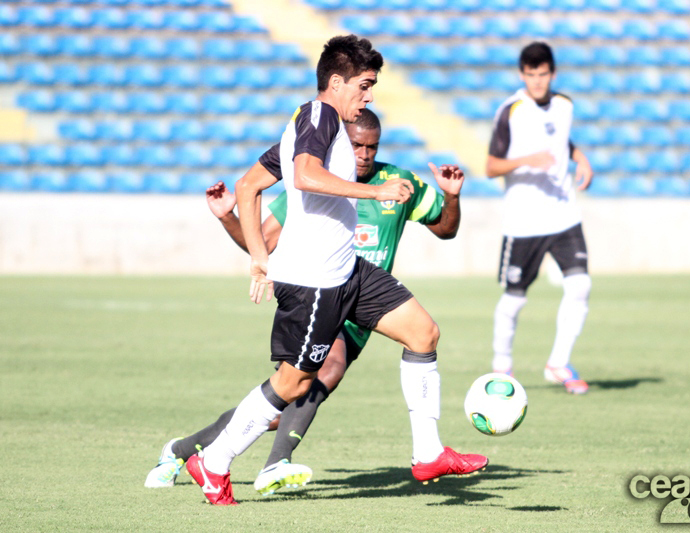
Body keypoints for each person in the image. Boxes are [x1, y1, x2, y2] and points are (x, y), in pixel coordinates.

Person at [161, 35, 486, 505]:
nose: (370, 96)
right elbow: (305, 176)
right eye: (365, 85)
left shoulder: (313, 124)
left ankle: (428, 453)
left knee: (423, 333)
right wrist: (376, 193)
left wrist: (258, 254)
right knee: (293, 383)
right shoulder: (318, 117)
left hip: (347, 271)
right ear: (337, 82)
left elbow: (248, 185)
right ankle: (212, 461)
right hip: (314, 280)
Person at [486, 41, 594, 395]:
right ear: (522, 75)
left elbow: (561, 140)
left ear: (552, 73)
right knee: (514, 298)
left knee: (580, 286)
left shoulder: (564, 105)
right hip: (524, 221)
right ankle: (502, 366)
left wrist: (581, 158)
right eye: (531, 75)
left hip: (564, 215)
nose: (537, 81)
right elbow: (490, 166)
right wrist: (526, 160)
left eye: (543, 74)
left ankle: (558, 363)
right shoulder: (511, 111)